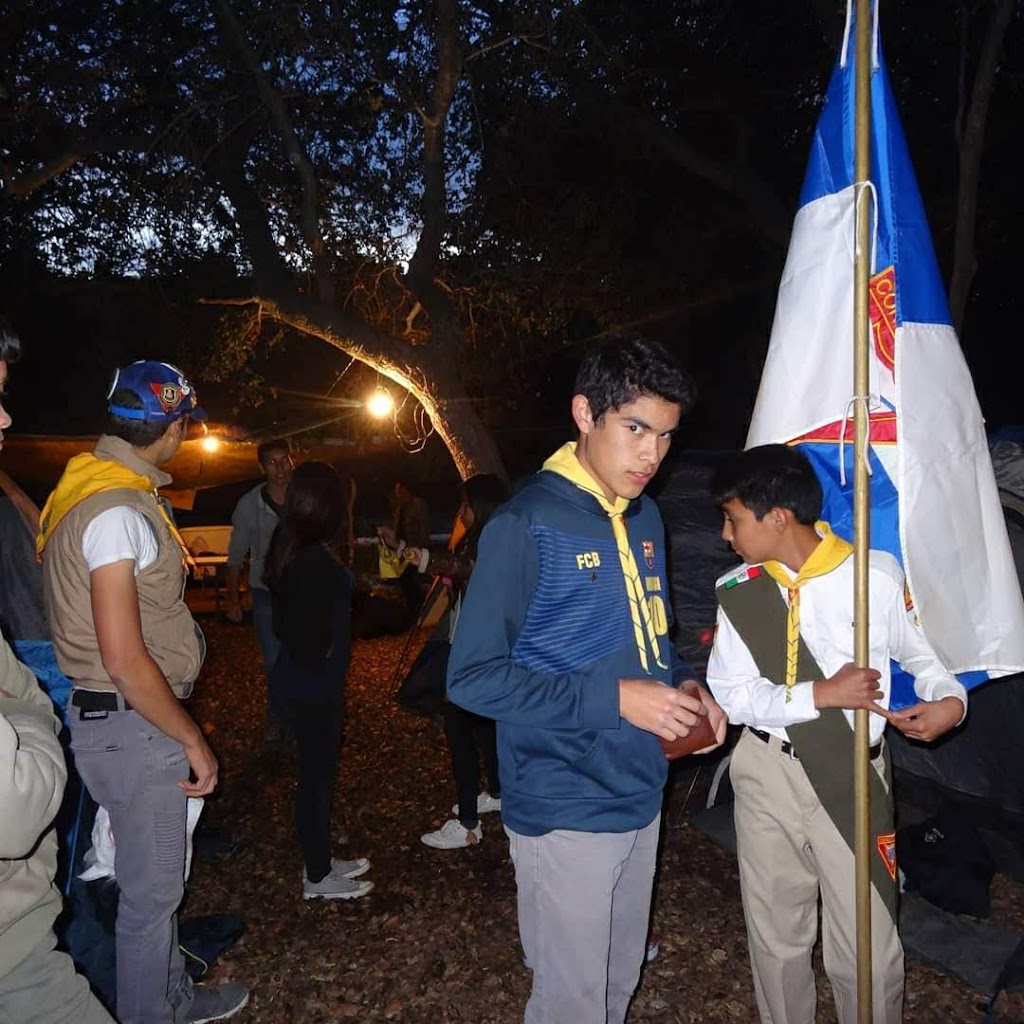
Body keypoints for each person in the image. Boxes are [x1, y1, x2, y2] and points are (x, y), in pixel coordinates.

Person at [447, 333, 727, 1024]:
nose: (652, 456)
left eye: (665, 436)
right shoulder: (527, 523)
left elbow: (650, 638)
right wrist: (614, 698)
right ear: (584, 414)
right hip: (563, 798)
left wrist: (684, 685)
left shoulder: (646, 516)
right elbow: (472, 678)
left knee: (618, 979)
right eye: (635, 429)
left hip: (639, 787)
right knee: (571, 1001)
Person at [705, 444, 968, 1024]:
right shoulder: (738, 590)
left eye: (733, 518)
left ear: (776, 517)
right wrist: (818, 695)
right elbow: (730, 692)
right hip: (765, 771)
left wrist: (951, 701)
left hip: (853, 773)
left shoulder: (872, 576)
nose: (726, 534)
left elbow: (926, 657)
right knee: (776, 938)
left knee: (867, 944)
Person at [37, 360, 249, 1024]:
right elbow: (125, 659)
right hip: (134, 724)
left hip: (110, 720)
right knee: (151, 898)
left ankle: (169, 997)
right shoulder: (117, 512)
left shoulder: (83, 490)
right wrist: (194, 740)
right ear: (173, 428)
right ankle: (156, 1012)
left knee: (144, 888)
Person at [0, 320, 115, 1024]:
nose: (8, 416)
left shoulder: (18, 495)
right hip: (17, 953)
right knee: (73, 846)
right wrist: (34, 704)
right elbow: (15, 807)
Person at [264, 461, 375, 901]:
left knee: (317, 776)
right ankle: (316, 875)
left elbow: (282, 624)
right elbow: (299, 629)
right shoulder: (310, 559)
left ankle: (321, 859)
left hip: (305, 677)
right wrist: (325, 656)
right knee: (315, 779)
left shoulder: (293, 545)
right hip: (312, 682)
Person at [403, 473, 509, 850]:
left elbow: (468, 570)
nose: (460, 511)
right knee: (484, 727)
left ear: (479, 507)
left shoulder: (492, 543)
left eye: (465, 505)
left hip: (479, 654)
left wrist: (427, 558)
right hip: (484, 651)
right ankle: (497, 793)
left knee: (458, 727)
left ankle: (467, 824)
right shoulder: (490, 538)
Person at [224, 437, 294, 740]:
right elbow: (236, 554)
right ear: (261, 467)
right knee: (274, 657)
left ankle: (304, 714)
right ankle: (278, 718)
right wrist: (233, 598)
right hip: (265, 591)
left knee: (305, 654)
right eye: (272, 462)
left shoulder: (303, 497)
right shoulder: (249, 504)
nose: (280, 468)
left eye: (284, 460)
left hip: (302, 591)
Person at [377, 479, 431, 624]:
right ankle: (415, 609)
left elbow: (422, 530)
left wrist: (419, 548)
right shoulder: (401, 507)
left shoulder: (418, 506)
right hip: (403, 548)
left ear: (406, 490)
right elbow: (399, 528)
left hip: (415, 549)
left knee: (406, 578)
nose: (398, 494)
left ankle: (418, 609)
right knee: (403, 579)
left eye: (399, 491)